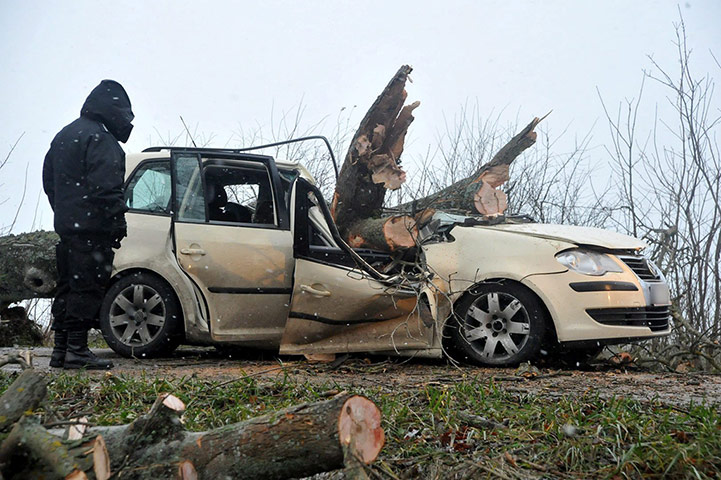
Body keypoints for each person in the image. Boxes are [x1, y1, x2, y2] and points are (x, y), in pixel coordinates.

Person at [42, 80, 134, 369]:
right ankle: (77, 350)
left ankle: (61, 350)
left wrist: (66, 212)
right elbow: (107, 187)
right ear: (114, 111)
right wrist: (116, 220)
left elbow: (49, 182)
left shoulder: (64, 135)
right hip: (93, 229)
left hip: (69, 228)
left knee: (68, 286)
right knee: (88, 288)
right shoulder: (100, 139)